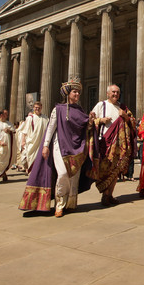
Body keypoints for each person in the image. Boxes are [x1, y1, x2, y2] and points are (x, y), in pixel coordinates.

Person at [19, 78, 95, 217]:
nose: (77, 94)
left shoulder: (80, 110)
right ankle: (59, 204)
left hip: (77, 148)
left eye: (78, 92)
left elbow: (86, 128)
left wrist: (90, 121)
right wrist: (45, 146)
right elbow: (50, 128)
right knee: (63, 174)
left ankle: (71, 204)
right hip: (59, 145)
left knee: (74, 177)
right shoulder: (58, 109)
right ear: (68, 94)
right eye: (74, 92)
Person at [90, 84, 136, 206]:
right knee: (105, 170)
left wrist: (125, 116)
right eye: (113, 92)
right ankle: (105, 195)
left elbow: (133, 122)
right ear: (108, 93)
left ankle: (110, 195)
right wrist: (101, 120)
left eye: (117, 92)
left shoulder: (122, 107)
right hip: (105, 142)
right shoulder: (101, 105)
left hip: (119, 145)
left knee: (116, 171)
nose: (115, 94)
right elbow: (90, 120)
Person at [18, 102, 49, 173]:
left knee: (41, 160)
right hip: (32, 143)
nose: (37, 109)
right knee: (32, 159)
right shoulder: (30, 118)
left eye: (39, 108)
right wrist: (23, 141)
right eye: (36, 107)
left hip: (41, 143)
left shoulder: (45, 118)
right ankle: (32, 176)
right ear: (33, 108)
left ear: (41, 108)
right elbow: (25, 131)